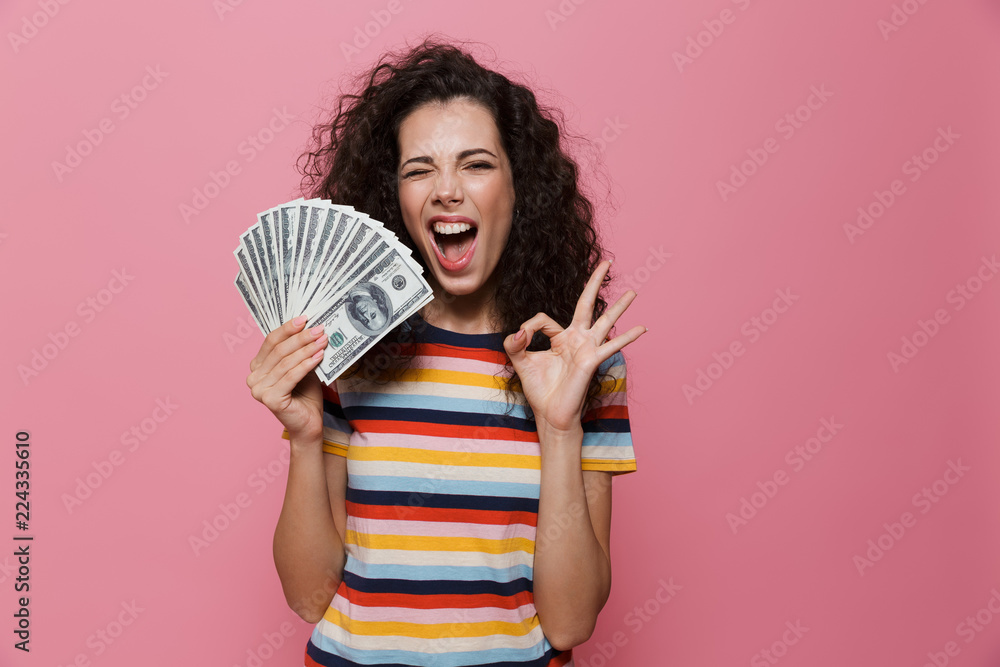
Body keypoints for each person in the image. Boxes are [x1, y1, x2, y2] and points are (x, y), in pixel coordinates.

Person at [246, 38, 646, 667]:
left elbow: (569, 624)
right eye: (418, 169)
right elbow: (309, 596)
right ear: (393, 199)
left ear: (521, 189)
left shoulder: (580, 358)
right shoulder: (347, 348)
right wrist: (303, 438)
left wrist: (561, 430)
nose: (447, 191)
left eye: (477, 164)